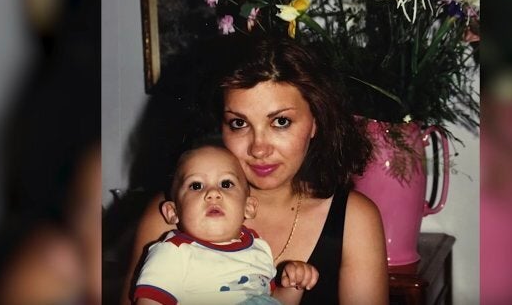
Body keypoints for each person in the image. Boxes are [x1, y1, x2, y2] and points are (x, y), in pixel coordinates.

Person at [122, 37, 389, 305]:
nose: (259, 148)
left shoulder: (354, 219)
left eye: (281, 122)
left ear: (315, 123)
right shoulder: (169, 214)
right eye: (239, 123)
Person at [134, 145, 318, 305]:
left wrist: (294, 284)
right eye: (196, 186)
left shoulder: (259, 248)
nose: (213, 193)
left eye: (226, 184)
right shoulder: (173, 252)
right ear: (173, 212)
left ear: (249, 207)